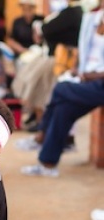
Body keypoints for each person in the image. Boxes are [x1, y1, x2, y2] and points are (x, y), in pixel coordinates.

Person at [21, 0, 104, 177]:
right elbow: (82, 48)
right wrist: (76, 68)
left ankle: (40, 135)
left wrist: (90, 76)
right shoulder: (91, 19)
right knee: (63, 110)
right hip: (85, 80)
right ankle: (48, 164)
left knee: (60, 88)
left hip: (98, 82)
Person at [11, 0, 82, 132]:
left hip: (57, 61)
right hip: (52, 58)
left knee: (43, 96)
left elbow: (47, 30)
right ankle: (41, 125)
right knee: (40, 95)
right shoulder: (71, 12)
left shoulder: (71, 12)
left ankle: (44, 127)